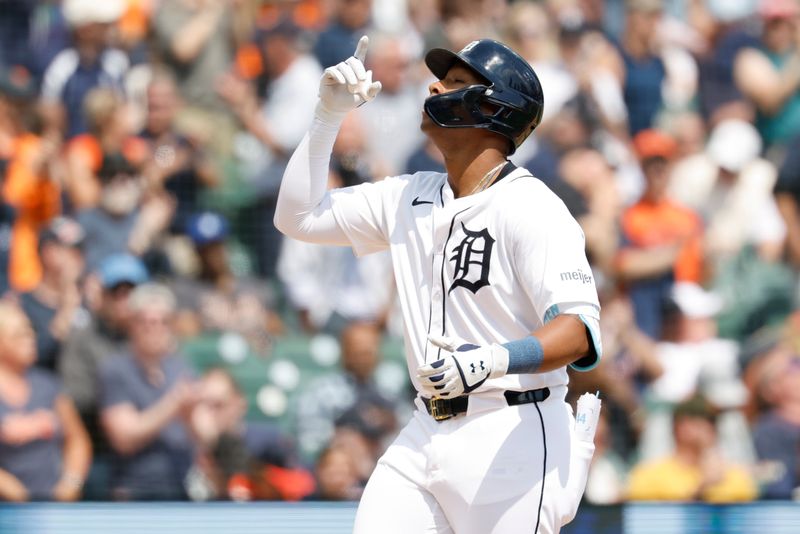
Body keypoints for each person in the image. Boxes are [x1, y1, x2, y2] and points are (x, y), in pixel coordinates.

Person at [275, 36, 602, 533]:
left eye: (454, 82)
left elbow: (578, 331)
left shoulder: (533, 207)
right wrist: (326, 116)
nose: (434, 86)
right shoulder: (411, 194)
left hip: (513, 431)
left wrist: (490, 359)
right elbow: (297, 217)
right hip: (426, 427)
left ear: (495, 108)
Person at [98, 283, 199, 500]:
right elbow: (124, 438)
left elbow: (203, 436)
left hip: (182, 487)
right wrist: (174, 402)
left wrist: (192, 414)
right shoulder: (116, 369)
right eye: (146, 322)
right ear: (132, 324)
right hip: (136, 490)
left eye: (163, 322)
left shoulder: (181, 367)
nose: (155, 328)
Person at [0, 300, 91, 502]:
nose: (31, 338)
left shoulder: (48, 385)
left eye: (30, 331)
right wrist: (7, 486)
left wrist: (71, 483)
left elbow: (77, 440)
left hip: (50, 506)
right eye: (19, 335)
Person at [626, 395, 757, 503]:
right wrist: (701, 489)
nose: (705, 427)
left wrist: (710, 455)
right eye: (698, 419)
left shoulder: (734, 476)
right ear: (678, 426)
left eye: (711, 421)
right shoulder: (649, 475)